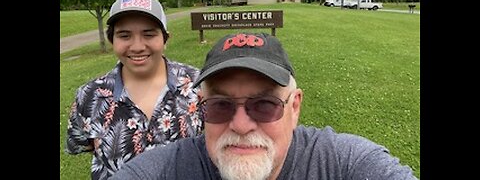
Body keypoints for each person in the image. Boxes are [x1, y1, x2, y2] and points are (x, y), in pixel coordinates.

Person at [111, 32, 418, 180]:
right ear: (202, 107)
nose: (241, 125)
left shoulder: (344, 164)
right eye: (220, 105)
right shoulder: (166, 170)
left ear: (294, 108)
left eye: (265, 105)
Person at [65, 0, 204, 180]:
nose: (137, 46)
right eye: (124, 35)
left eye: (149, 34)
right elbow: (84, 144)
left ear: (165, 39)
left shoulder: (197, 84)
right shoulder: (90, 95)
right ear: (112, 40)